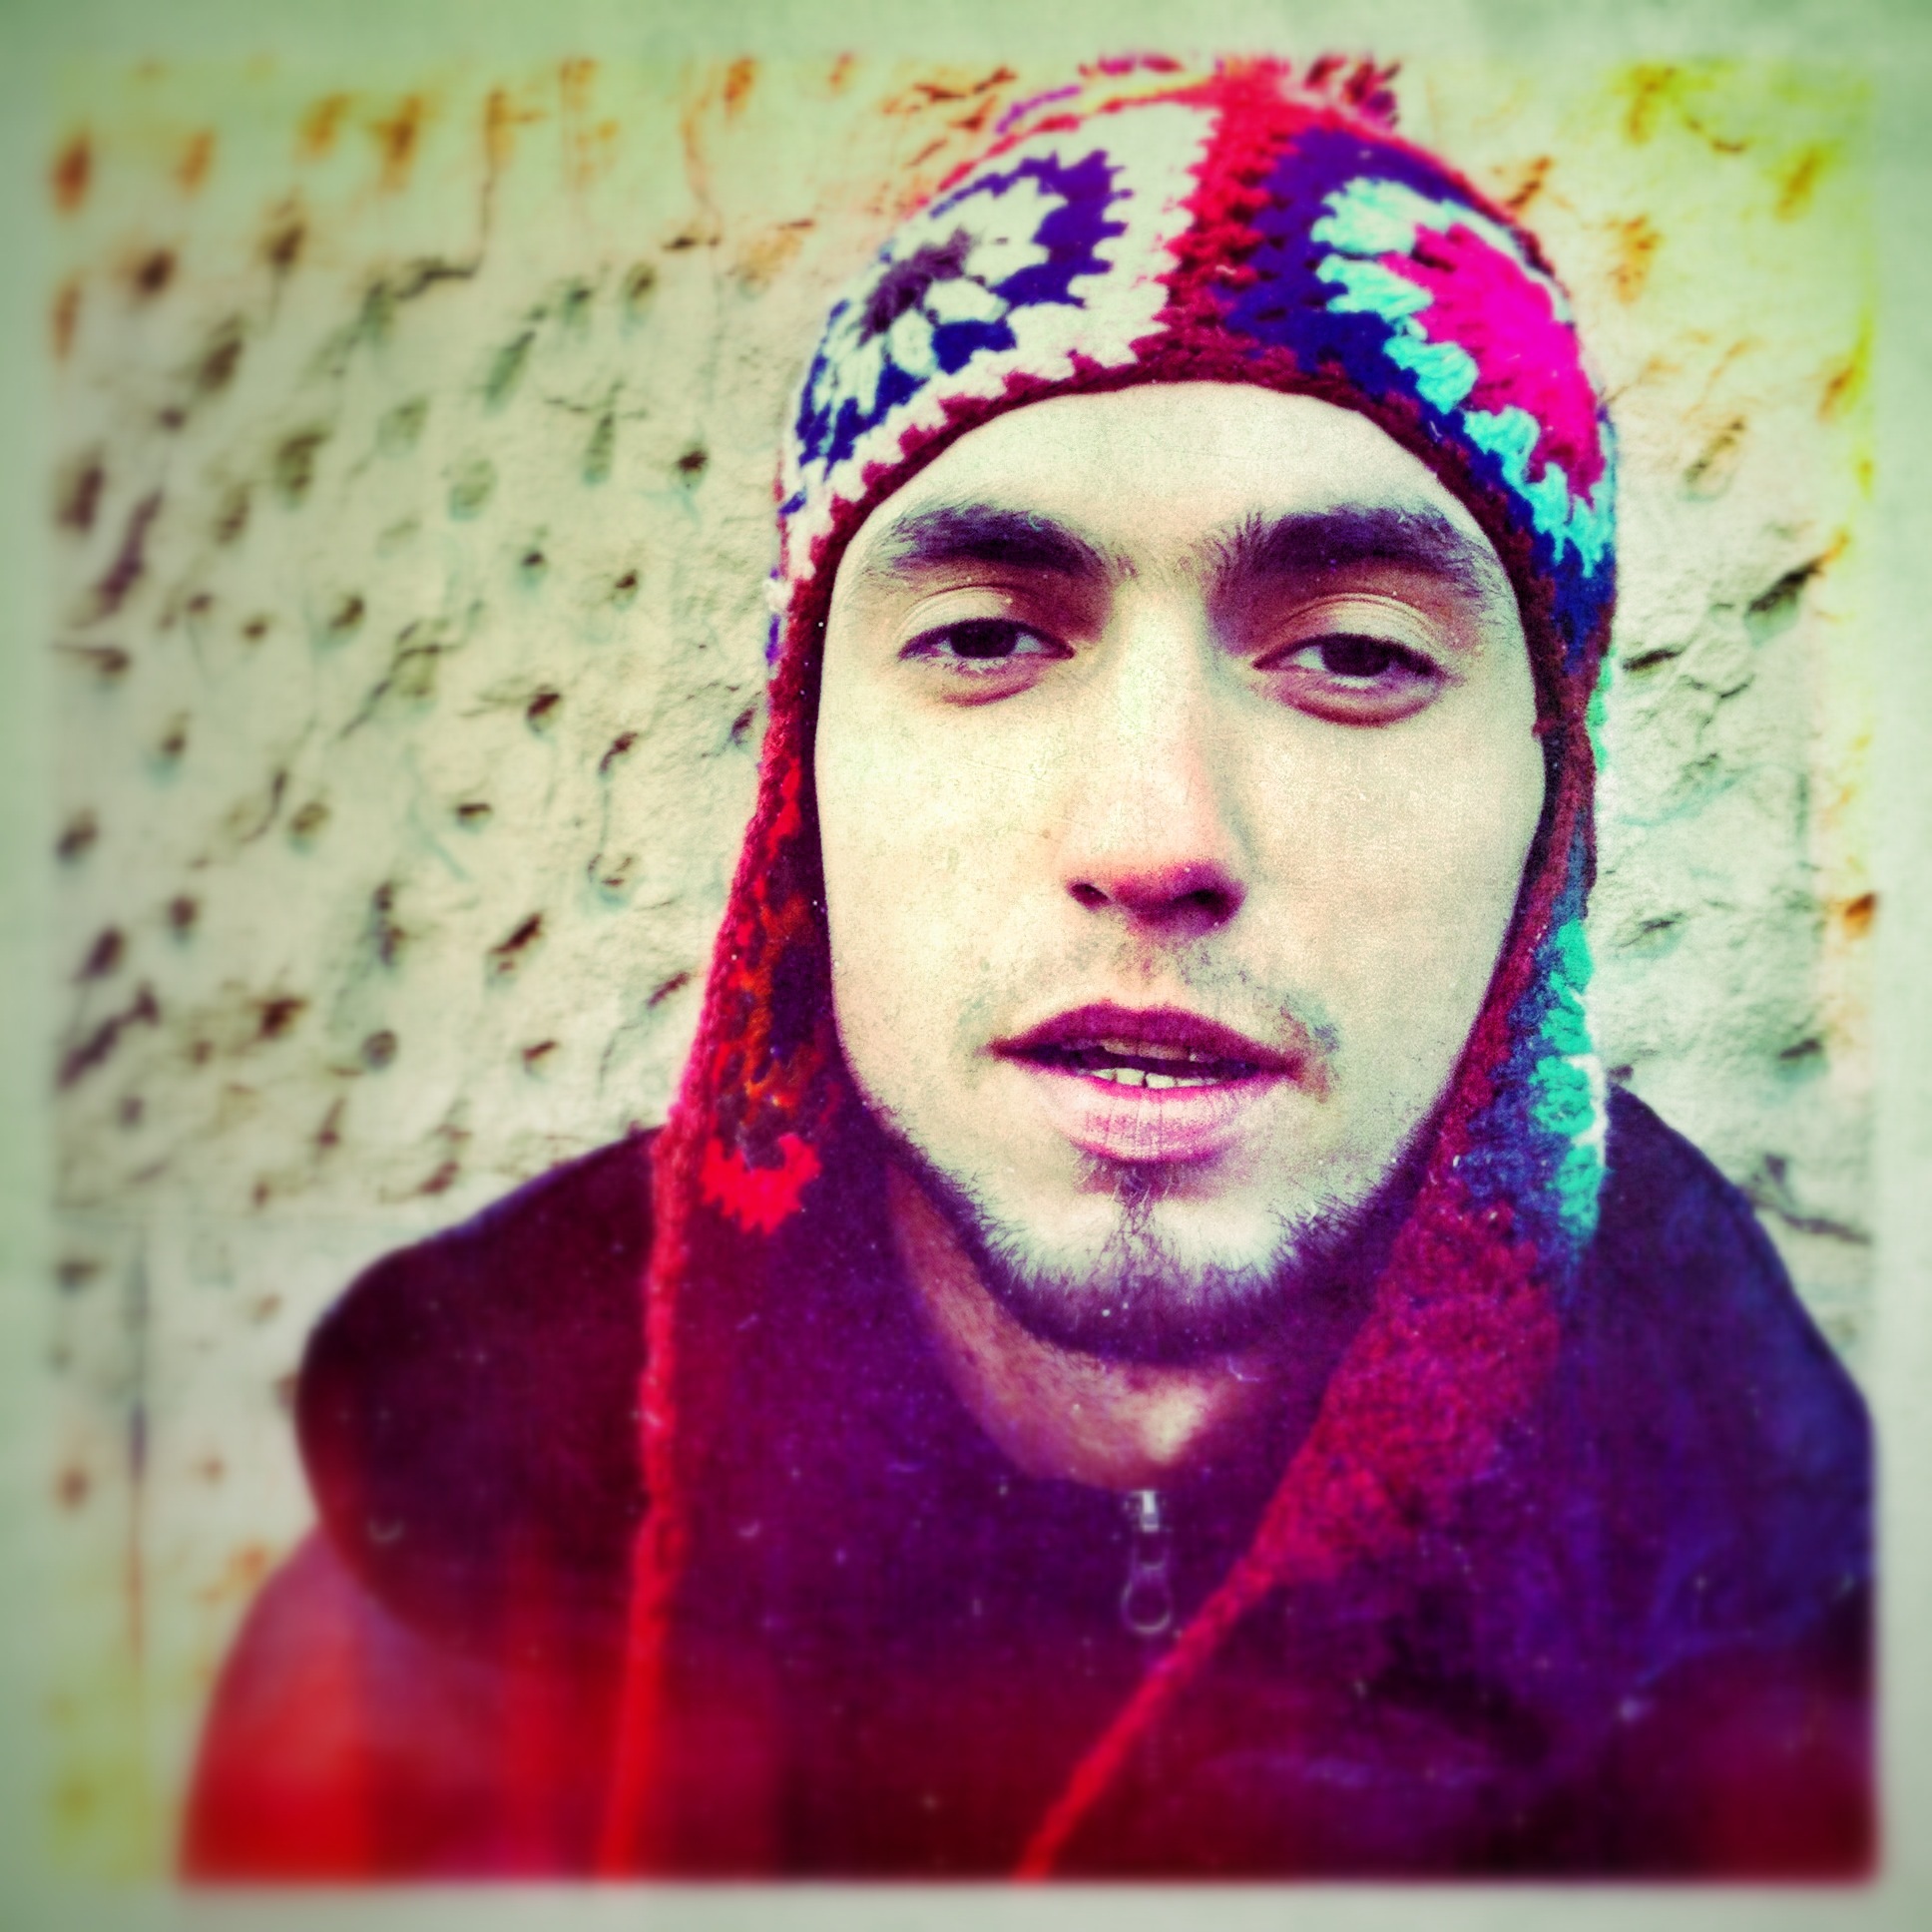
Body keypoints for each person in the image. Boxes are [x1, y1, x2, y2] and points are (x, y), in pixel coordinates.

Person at [184, 57, 1871, 1880]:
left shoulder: (1825, 1725)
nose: (1154, 838)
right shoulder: (416, 1668)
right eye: (988, 634)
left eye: (1357, 654)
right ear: (800, 787)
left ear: (1554, 819)